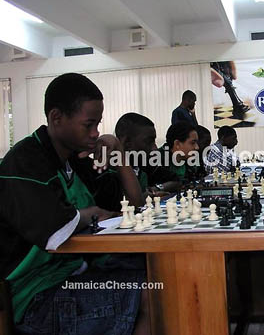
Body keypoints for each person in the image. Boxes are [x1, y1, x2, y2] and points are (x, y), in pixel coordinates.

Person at [0, 73, 150, 334]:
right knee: (153, 296)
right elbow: (54, 232)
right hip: (37, 298)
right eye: (88, 124)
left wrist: (117, 150)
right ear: (56, 118)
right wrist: (92, 213)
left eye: (98, 125)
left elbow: (135, 204)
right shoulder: (24, 162)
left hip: (76, 275)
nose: (95, 134)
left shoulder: (75, 160)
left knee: (160, 279)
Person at [115, 112, 157, 193]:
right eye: (149, 142)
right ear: (127, 143)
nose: (155, 149)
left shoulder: (142, 167)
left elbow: (175, 181)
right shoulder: (108, 174)